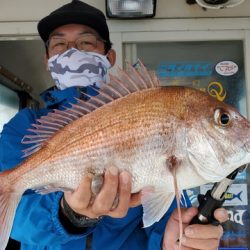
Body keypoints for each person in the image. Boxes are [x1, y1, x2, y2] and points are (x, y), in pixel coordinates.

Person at [0, 1, 228, 249]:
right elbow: (16, 220)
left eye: (86, 42)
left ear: (109, 56)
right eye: (59, 44)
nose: (72, 51)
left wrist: (171, 242)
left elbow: (162, 209)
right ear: (47, 59)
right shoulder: (25, 127)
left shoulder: (142, 109)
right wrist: (68, 214)